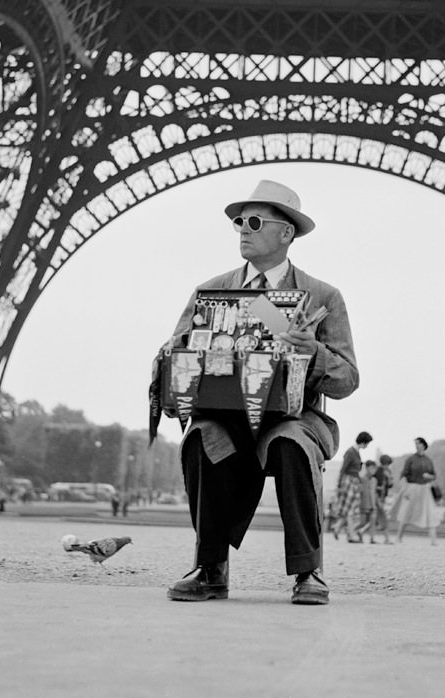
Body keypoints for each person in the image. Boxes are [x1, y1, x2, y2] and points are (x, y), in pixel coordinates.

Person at [155, 179, 359, 606]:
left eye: (252, 221)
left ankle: (308, 571)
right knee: (199, 438)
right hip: (226, 417)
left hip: (292, 417)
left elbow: (347, 380)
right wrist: (171, 358)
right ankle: (211, 567)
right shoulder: (207, 291)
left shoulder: (324, 296)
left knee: (289, 444)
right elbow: (175, 353)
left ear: (286, 233)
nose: (242, 230)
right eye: (237, 223)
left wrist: (315, 352)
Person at [392, 437, 441, 545]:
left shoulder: (428, 460)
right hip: (412, 488)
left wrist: (429, 476)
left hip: (425, 488)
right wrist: (406, 490)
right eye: (415, 443)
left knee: (429, 513)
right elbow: (404, 475)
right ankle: (399, 537)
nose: (416, 445)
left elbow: (434, 476)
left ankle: (433, 540)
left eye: (418, 443)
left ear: (423, 445)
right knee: (406, 512)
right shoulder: (410, 459)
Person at [331, 431, 372, 542]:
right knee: (350, 510)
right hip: (348, 481)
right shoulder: (351, 452)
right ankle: (351, 534)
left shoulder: (356, 452)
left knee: (349, 509)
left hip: (353, 481)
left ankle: (338, 527)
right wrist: (339, 483)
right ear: (364, 442)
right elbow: (343, 468)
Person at [355, 460, 379, 543]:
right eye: (371, 468)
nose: (373, 470)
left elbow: (373, 493)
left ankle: (372, 538)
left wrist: (374, 504)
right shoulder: (362, 479)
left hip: (372, 504)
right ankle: (354, 532)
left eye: (374, 469)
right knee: (362, 522)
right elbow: (359, 491)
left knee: (372, 522)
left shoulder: (374, 480)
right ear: (367, 468)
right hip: (363, 504)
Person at [373, 454, 394, 544]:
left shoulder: (388, 472)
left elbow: (390, 485)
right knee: (383, 517)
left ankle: (361, 531)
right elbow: (374, 484)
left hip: (383, 497)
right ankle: (387, 538)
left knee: (378, 518)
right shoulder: (378, 471)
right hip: (377, 497)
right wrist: (378, 488)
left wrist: (389, 477)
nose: (387, 466)